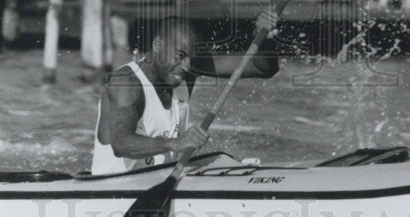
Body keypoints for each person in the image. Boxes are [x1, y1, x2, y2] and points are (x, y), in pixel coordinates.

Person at [92, 11, 279, 174]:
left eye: (192, 58)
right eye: (180, 56)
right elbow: (121, 144)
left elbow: (263, 68)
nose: (187, 66)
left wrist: (264, 38)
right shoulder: (126, 82)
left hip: (158, 183)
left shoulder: (186, 69)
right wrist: (175, 143)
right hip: (111, 192)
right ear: (157, 45)